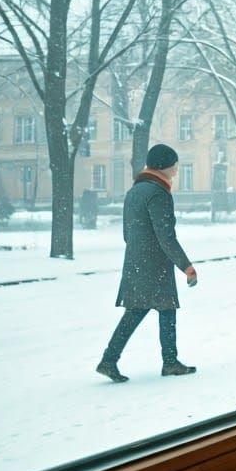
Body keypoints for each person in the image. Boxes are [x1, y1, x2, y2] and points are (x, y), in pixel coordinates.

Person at [96, 144, 200, 382]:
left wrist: (139, 252)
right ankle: (170, 362)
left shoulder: (135, 191)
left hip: (135, 262)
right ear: (164, 166)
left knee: (136, 311)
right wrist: (186, 266)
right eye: (174, 164)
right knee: (166, 309)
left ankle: (109, 360)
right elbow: (166, 237)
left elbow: (126, 233)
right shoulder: (158, 193)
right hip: (155, 265)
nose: (176, 169)